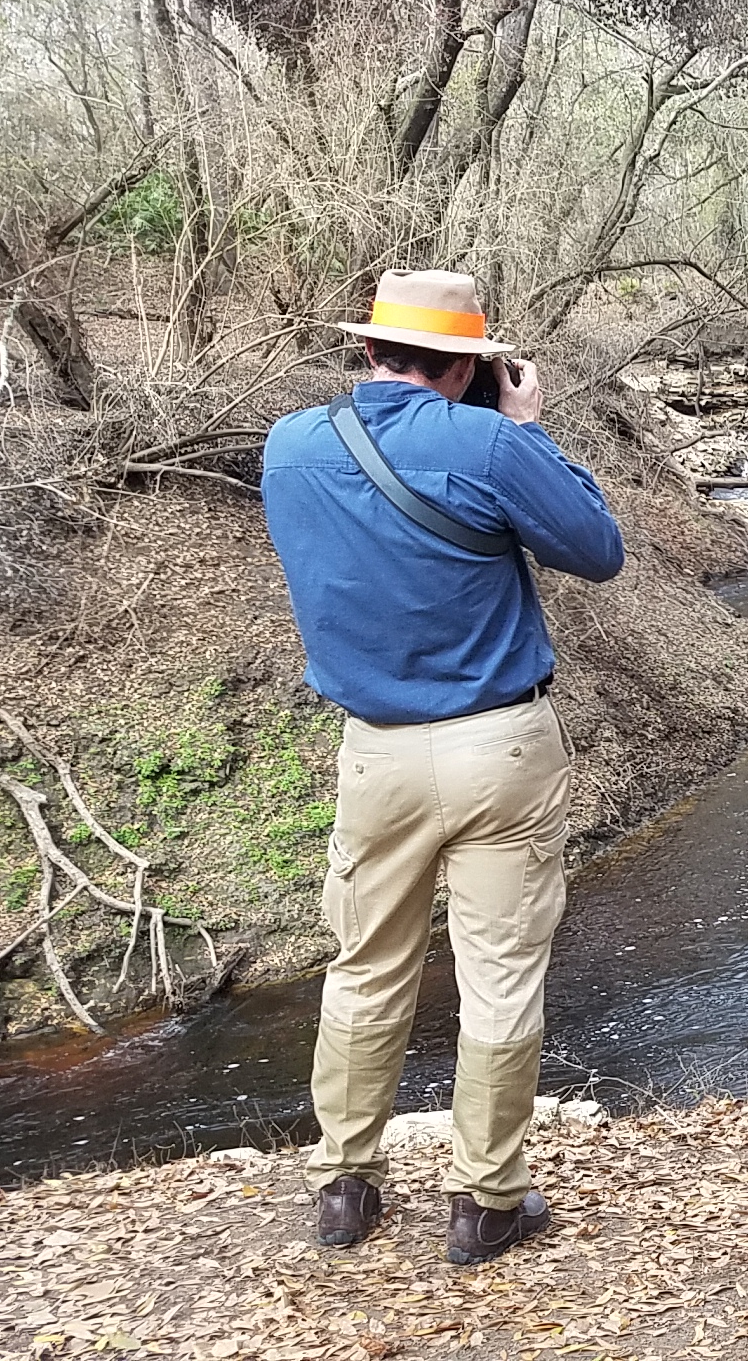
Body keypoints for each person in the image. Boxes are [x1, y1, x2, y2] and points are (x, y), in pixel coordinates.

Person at [260, 269, 624, 1264]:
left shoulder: (290, 448)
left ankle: (344, 1188)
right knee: (501, 978)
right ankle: (485, 1206)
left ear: (369, 349)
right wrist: (528, 425)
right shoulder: (492, 441)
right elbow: (597, 550)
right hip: (500, 746)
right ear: (469, 364)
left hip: (372, 753)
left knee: (364, 971)